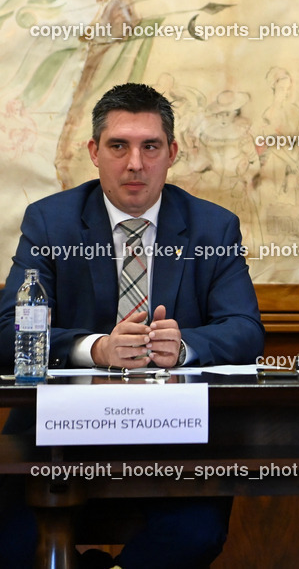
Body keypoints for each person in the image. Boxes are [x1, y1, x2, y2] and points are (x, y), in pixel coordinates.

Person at [0, 83, 264, 569]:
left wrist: (183, 347)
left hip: (175, 433)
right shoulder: (51, 223)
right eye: (119, 146)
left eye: (151, 147)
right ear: (94, 153)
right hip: (59, 431)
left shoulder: (212, 227)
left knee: (196, 533)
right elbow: (9, 331)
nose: (135, 163)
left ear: (173, 154)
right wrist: (95, 349)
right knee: (13, 543)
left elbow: (246, 329)